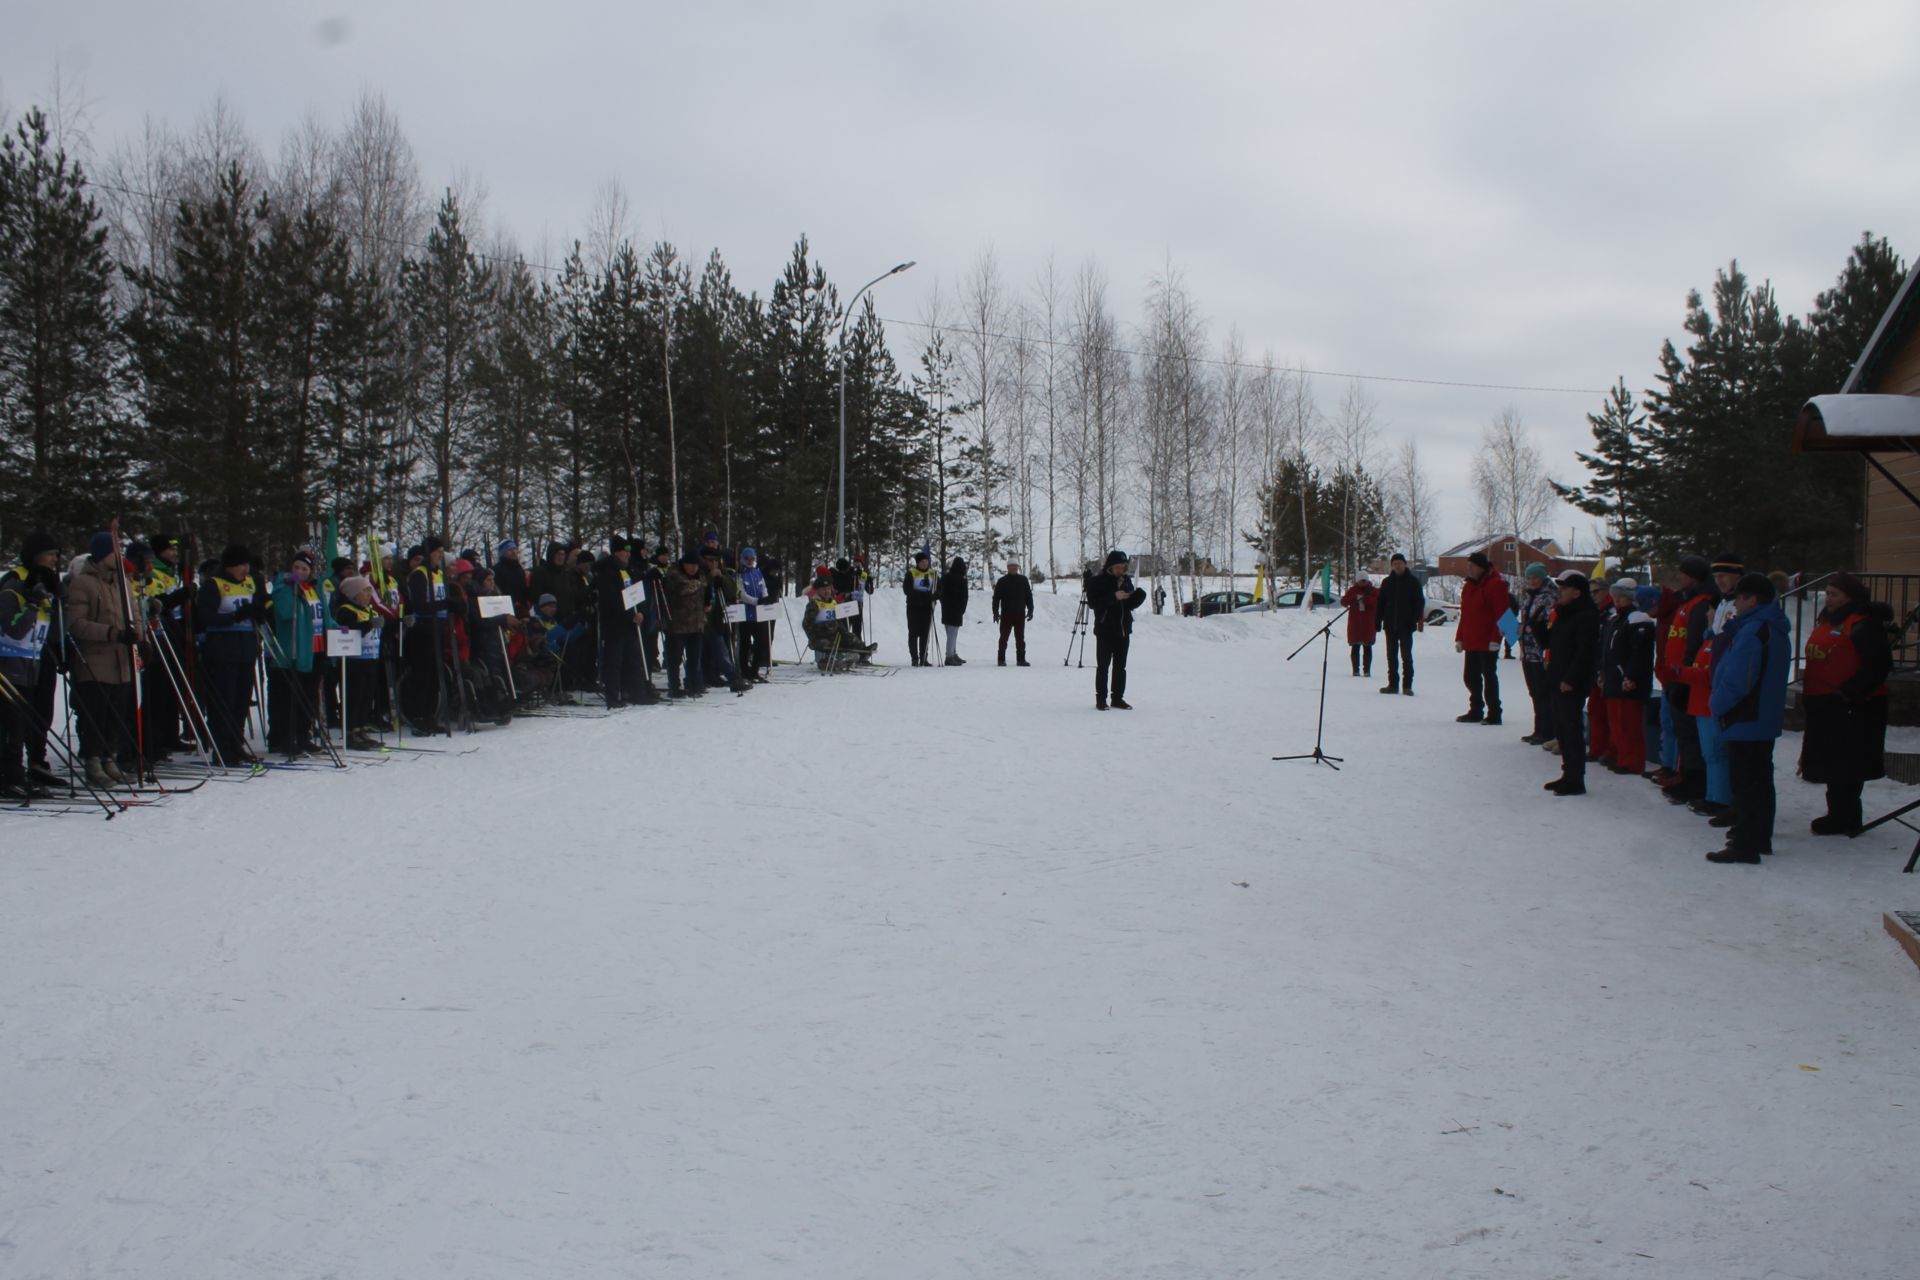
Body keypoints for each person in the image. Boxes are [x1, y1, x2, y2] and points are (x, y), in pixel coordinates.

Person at [1705, 573, 1790, 863]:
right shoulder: (1770, 628)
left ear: (1752, 599)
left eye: (1739, 598)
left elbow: (1740, 678)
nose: (1736, 605)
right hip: (1760, 716)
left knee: (1747, 783)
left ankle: (1746, 843)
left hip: (1747, 716)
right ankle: (1758, 836)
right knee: (1760, 780)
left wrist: (1717, 704)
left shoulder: (1755, 630)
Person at [1800, 573, 1891, 837]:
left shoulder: (1863, 624)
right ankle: (1837, 813)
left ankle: (1846, 816)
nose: (1828, 599)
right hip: (1824, 703)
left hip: (1851, 706)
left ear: (1850, 597)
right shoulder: (1827, 621)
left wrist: (1850, 692)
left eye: (1835, 594)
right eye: (1827, 594)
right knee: (1831, 762)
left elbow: (1877, 665)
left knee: (1847, 763)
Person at [65, 531, 139, 787]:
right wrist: (111, 633)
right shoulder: (83, 583)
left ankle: (111, 758)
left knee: (118, 712)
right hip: (96, 658)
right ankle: (93, 761)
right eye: (113, 552)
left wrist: (140, 639)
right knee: (96, 713)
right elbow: (76, 623)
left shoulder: (122, 583)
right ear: (102, 555)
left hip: (122, 659)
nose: (118, 556)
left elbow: (134, 615)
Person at [0, 531, 61, 798]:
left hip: (31, 666)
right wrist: (34, 602)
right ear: (36, 557)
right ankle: (9, 777)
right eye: (50, 556)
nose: (54, 562)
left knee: (24, 724)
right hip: (9, 665)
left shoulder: (43, 583)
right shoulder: (13, 584)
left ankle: (18, 773)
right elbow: (14, 629)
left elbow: (52, 625)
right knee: (11, 726)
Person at [196, 543, 266, 768]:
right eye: (241, 565)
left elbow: (258, 606)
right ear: (230, 565)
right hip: (222, 651)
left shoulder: (249, 584)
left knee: (241, 701)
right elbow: (205, 618)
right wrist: (235, 616)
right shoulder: (213, 585)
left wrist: (261, 612)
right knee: (223, 702)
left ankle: (236, 744)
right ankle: (221, 748)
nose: (246, 569)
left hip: (245, 650)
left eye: (247, 564)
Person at [1655, 556, 1715, 802]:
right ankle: (1686, 775)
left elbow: (1695, 643)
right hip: (1676, 676)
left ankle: (1695, 781)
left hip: (1688, 678)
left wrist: (1685, 676)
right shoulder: (1687, 601)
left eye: (1684, 574)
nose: (1679, 578)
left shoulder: (1701, 604)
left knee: (1690, 733)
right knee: (1681, 730)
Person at [1539, 571, 1600, 796]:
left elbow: (1585, 652)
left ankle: (1576, 778)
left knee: (1572, 729)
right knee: (1563, 729)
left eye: (1565, 588)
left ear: (1577, 592)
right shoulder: (1564, 612)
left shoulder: (1586, 615)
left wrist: (1570, 679)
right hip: (1558, 676)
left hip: (1570, 681)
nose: (1560, 592)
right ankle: (1567, 774)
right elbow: (1550, 642)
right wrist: (1537, 625)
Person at [1599, 579, 1655, 777]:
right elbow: (1607, 650)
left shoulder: (1639, 621)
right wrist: (1604, 673)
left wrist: (1630, 675)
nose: (1617, 600)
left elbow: (1639, 654)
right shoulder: (1615, 620)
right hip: (1614, 678)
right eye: (1615, 596)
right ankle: (1621, 755)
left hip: (1628, 681)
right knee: (1617, 723)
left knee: (1629, 724)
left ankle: (1632, 761)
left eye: (1622, 596)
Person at [594, 536, 653, 709]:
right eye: (624, 550)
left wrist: (641, 611)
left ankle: (637, 692)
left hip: (630, 625)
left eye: (628, 550)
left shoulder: (629, 570)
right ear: (616, 552)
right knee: (614, 662)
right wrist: (630, 615)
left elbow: (637, 592)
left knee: (634, 660)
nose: (627, 554)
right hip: (615, 625)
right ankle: (613, 696)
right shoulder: (607, 572)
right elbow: (612, 600)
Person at [330, 575, 387, 750]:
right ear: (354, 594)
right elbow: (349, 630)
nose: (369, 595)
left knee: (367, 696)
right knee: (354, 696)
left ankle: (362, 729)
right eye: (365, 591)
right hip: (354, 661)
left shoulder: (371, 611)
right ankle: (351, 732)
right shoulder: (346, 610)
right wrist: (369, 625)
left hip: (371, 659)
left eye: (370, 590)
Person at [402, 536, 451, 734]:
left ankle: (430, 715)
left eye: (442, 550)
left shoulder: (439, 574)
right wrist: (445, 604)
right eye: (437, 550)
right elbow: (420, 605)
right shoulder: (419, 575)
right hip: (422, 629)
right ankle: (418, 715)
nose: (440, 554)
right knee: (421, 674)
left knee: (434, 675)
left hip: (437, 627)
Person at [1455, 551, 1510, 725]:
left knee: (1489, 676)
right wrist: (1460, 637)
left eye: (1471, 566)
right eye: (1468, 566)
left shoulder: (1496, 585)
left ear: (1481, 567)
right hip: (1471, 639)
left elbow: (1504, 614)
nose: (1468, 569)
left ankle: (1494, 712)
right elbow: (1465, 614)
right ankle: (1476, 709)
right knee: (1470, 677)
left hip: (1488, 641)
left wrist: (1496, 639)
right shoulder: (1469, 586)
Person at [1087, 549, 1146, 710]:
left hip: (1123, 630)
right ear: (1110, 566)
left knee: (1120, 667)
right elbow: (1093, 603)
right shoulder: (1097, 581)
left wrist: (1138, 598)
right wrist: (1114, 597)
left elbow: (1128, 606)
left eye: (1124, 567)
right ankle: (1101, 699)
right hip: (1105, 630)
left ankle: (1117, 698)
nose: (1121, 570)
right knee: (1103, 666)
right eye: (1118, 566)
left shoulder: (1125, 581)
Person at [1515, 563, 1556, 742]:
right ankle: (1538, 729)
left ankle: (1547, 730)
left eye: (1535, 577)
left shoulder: (1549, 597)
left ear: (1543, 577)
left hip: (1541, 652)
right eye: (1529, 578)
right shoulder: (1529, 596)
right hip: (1528, 650)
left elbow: (1550, 623)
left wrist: (1530, 628)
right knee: (1534, 692)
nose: (1532, 581)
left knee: (1543, 692)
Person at [661, 549, 709, 698]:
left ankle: (692, 683)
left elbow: (705, 591)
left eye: (696, 565)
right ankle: (674, 686)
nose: (693, 568)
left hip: (697, 624)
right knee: (674, 659)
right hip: (678, 625)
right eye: (690, 565)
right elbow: (684, 589)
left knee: (694, 658)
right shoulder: (674, 576)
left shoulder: (701, 576)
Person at [1375, 553, 1424, 696]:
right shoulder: (1387, 582)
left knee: (1406, 656)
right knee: (1391, 656)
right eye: (1395, 563)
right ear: (1392, 566)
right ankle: (1392, 684)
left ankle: (1407, 686)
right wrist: (1377, 621)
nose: (1397, 566)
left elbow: (1419, 603)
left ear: (1405, 564)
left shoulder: (1413, 582)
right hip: (1390, 625)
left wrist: (1413, 620)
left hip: (1406, 626)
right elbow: (1380, 604)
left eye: (1400, 563)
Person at [736, 547, 772, 682]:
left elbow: (763, 588)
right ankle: (744, 671)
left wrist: (765, 598)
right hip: (746, 613)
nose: (750, 561)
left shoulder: (758, 573)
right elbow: (742, 594)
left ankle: (754, 670)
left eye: (752, 559)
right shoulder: (740, 574)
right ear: (742, 559)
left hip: (759, 614)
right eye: (747, 559)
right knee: (745, 643)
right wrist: (757, 601)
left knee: (761, 641)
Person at [993, 562, 1035, 667]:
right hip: (1006, 614)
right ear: (1007, 567)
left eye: (1015, 566)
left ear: (1018, 567)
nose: (1013, 568)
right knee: (1003, 637)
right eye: (1011, 566)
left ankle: (1021, 659)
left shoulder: (1023, 580)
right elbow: (996, 598)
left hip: (1020, 613)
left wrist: (1031, 609)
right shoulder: (1002, 581)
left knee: (1020, 638)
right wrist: (995, 612)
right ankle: (1001, 659)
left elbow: (1028, 596)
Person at [903, 549, 938, 666]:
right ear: (918, 563)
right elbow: (907, 590)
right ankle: (914, 658)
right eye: (922, 562)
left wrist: (935, 596)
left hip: (927, 608)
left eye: (926, 561)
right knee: (913, 633)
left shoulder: (933, 574)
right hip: (914, 607)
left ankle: (923, 657)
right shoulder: (911, 573)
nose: (925, 563)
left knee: (925, 634)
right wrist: (923, 595)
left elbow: (940, 589)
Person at [1340, 575, 1379, 677]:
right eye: (1361, 581)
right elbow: (1343, 602)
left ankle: (1367, 670)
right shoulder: (1352, 590)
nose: (1363, 582)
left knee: (1367, 648)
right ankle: (1355, 670)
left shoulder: (1373, 591)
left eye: (1364, 580)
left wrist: (1365, 599)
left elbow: (1377, 602)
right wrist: (1354, 598)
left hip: (1368, 624)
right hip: (1355, 624)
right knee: (1355, 647)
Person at [937, 556, 970, 665]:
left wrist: (943, 603)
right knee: (953, 634)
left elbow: (939, 592)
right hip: (956, 609)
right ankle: (949, 656)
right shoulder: (962, 580)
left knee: (950, 634)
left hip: (946, 608)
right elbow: (965, 596)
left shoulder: (945, 578)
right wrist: (962, 609)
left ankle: (953, 653)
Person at [494, 540, 530, 612]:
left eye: (515, 549)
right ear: (503, 552)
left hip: (522, 607)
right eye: (510, 550)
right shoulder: (496, 569)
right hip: (506, 608)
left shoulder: (519, 568)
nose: (514, 552)